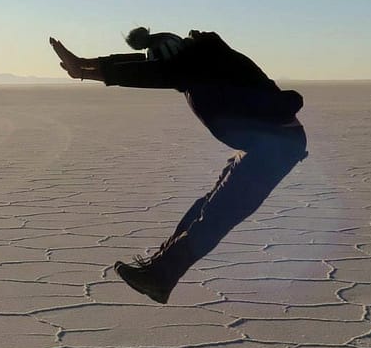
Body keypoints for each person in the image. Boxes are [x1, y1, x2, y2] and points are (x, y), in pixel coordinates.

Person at [49, 28, 307, 304]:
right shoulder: (199, 62)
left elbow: (142, 73)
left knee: (219, 214)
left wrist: (84, 70)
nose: (164, 75)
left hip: (277, 149)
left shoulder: (209, 65)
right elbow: (141, 68)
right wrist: (83, 65)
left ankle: (161, 277)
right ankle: (158, 269)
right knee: (206, 207)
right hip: (263, 147)